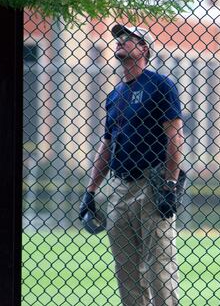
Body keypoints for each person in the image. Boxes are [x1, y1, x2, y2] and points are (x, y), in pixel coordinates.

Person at [78, 24, 184, 306]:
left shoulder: (160, 85)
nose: (121, 42)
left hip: (152, 183)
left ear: (144, 49)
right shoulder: (115, 95)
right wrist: (91, 190)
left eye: (128, 39)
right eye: (118, 39)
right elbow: (107, 144)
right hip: (119, 186)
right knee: (126, 270)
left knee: (159, 267)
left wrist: (170, 184)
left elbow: (174, 134)